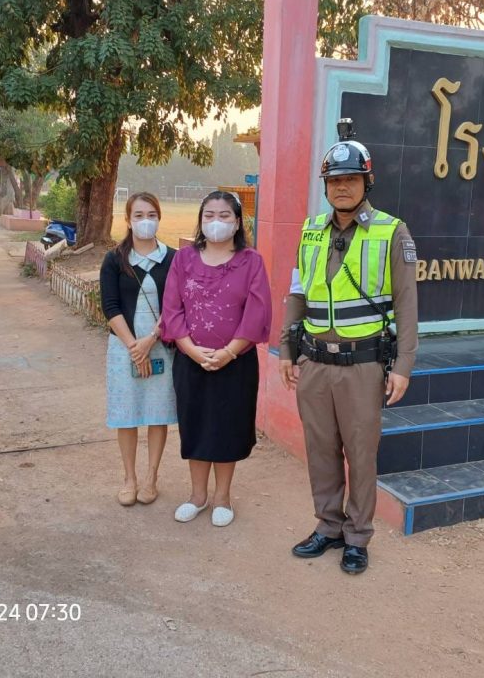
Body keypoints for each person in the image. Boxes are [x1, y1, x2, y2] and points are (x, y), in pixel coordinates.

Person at [279, 119, 418, 575]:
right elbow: (298, 291)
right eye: (335, 181)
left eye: (351, 179)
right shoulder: (311, 230)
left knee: (360, 454)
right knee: (320, 450)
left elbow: (407, 303)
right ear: (326, 186)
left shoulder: (391, 231)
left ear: (366, 182)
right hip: (315, 363)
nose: (342, 187)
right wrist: (287, 348)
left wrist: (403, 365)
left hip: (363, 366)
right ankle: (328, 526)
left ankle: (358, 536)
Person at [161, 191, 272, 528]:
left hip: (235, 363)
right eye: (209, 215)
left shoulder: (251, 261)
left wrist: (228, 352)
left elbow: (257, 312)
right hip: (190, 361)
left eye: (224, 216)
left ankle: (222, 497)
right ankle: (197, 496)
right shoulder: (184, 259)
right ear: (200, 220)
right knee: (194, 425)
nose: (216, 222)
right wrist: (191, 350)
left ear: (237, 222)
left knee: (227, 428)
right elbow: (172, 308)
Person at [100, 192, 177, 506]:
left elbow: (175, 306)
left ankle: (151, 477)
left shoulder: (173, 259)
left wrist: (150, 341)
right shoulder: (114, 259)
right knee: (127, 415)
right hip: (124, 347)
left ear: (159, 218)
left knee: (158, 414)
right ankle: (129, 478)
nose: (146, 221)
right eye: (139, 215)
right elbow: (110, 306)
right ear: (128, 220)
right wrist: (135, 348)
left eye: (151, 215)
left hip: (160, 345)